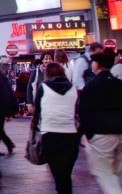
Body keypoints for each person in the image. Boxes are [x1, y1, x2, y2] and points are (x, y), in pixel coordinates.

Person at [78, 51, 122, 194]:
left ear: (96, 65)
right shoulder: (121, 85)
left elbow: (84, 111)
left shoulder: (91, 86)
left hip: (101, 134)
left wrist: (88, 134)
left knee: (103, 171)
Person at [34, 61, 83, 194]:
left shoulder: (43, 87)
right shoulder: (73, 88)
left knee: (58, 174)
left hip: (50, 135)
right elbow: (79, 110)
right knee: (66, 174)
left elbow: (37, 110)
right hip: (70, 135)